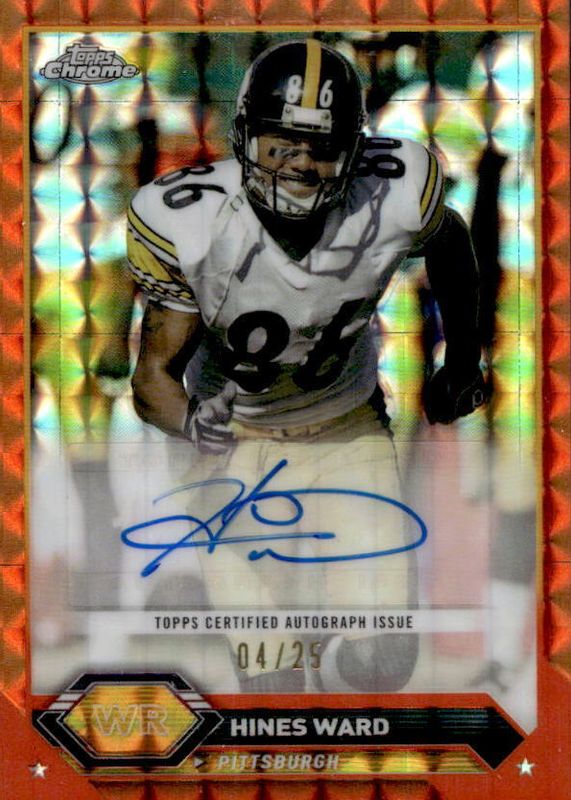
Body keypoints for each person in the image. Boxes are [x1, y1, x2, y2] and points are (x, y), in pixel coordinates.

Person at [126, 39, 486, 693]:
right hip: (236, 444)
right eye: (281, 143)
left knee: (381, 665)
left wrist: (462, 360)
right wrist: (192, 426)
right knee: (274, 684)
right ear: (244, 137)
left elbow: (450, 238)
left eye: (320, 147)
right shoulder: (190, 221)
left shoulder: (394, 188)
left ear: (352, 150)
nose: (299, 163)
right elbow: (152, 379)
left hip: (345, 426)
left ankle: (326, 632)